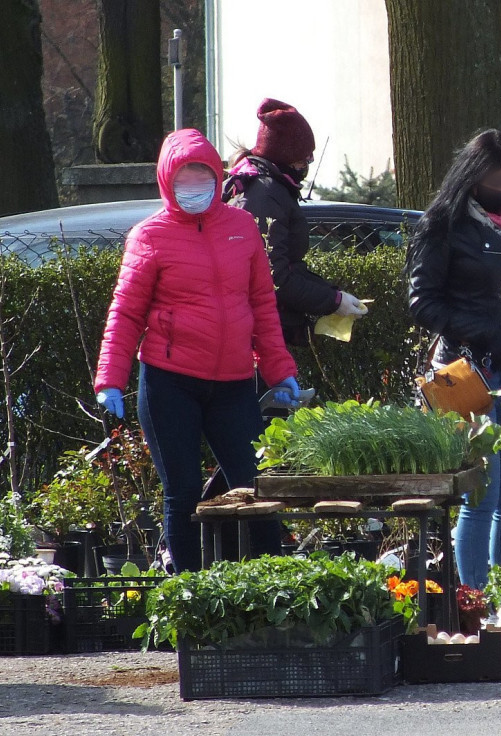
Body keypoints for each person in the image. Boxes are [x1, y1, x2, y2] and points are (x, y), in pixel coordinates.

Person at [93, 129, 304, 573]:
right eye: (184, 177)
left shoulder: (242, 227)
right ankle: (187, 598)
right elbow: (126, 313)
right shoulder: (149, 236)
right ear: (168, 180)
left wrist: (279, 371)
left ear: (217, 175)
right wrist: (110, 379)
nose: (194, 185)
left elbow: (263, 306)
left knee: (255, 487)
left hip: (233, 384)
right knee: (183, 492)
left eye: (202, 174)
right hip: (171, 382)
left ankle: (271, 593)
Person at [407, 129, 501, 591]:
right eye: (498, 182)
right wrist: (487, 333)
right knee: (482, 493)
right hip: (463, 372)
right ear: (474, 178)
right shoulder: (442, 225)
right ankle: (475, 600)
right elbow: (422, 303)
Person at [224, 98, 367, 347]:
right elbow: (273, 276)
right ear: (284, 158)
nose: (307, 165)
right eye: (304, 159)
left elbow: (288, 266)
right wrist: (332, 300)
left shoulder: (273, 189)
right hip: (261, 334)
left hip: (270, 327)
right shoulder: (265, 195)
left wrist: (332, 294)